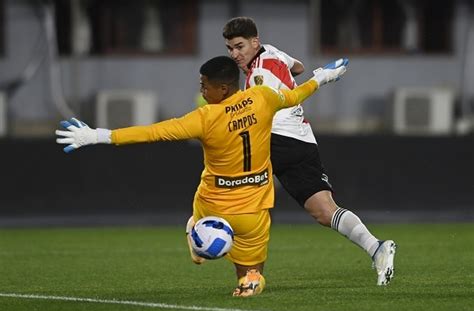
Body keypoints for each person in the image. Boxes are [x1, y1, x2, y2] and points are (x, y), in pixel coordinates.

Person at [55, 55, 348, 296]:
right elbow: (297, 94)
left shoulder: (205, 118)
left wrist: (96, 135)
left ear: (222, 89)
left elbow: (152, 132)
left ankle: (198, 237)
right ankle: (251, 280)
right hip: (253, 208)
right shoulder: (263, 98)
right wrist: (323, 77)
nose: (201, 91)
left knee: (196, 217)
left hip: (213, 203)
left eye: (204, 85)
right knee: (250, 270)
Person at [222, 17, 396, 286]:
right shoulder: (272, 52)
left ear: (254, 42)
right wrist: (291, 78)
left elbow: (263, 110)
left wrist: (318, 79)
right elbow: (298, 67)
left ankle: (243, 271)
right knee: (324, 212)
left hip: (276, 139)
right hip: (301, 140)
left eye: (239, 46)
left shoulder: (260, 75)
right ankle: (377, 249)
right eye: (230, 48)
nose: (234, 54)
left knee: (239, 197)